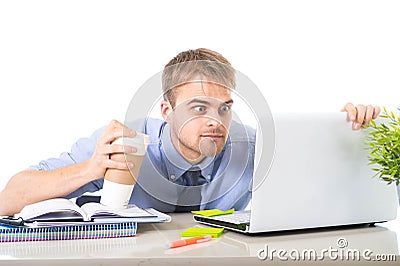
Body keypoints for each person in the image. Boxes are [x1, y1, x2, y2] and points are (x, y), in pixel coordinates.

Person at [0, 48, 380, 216]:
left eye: (225, 108)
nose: (216, 121)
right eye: (199, 108)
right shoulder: (126, 140)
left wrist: (351, 135)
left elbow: (323, 190)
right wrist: (91, 169)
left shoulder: (250, 146)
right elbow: (9, 199)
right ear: (166, 110)